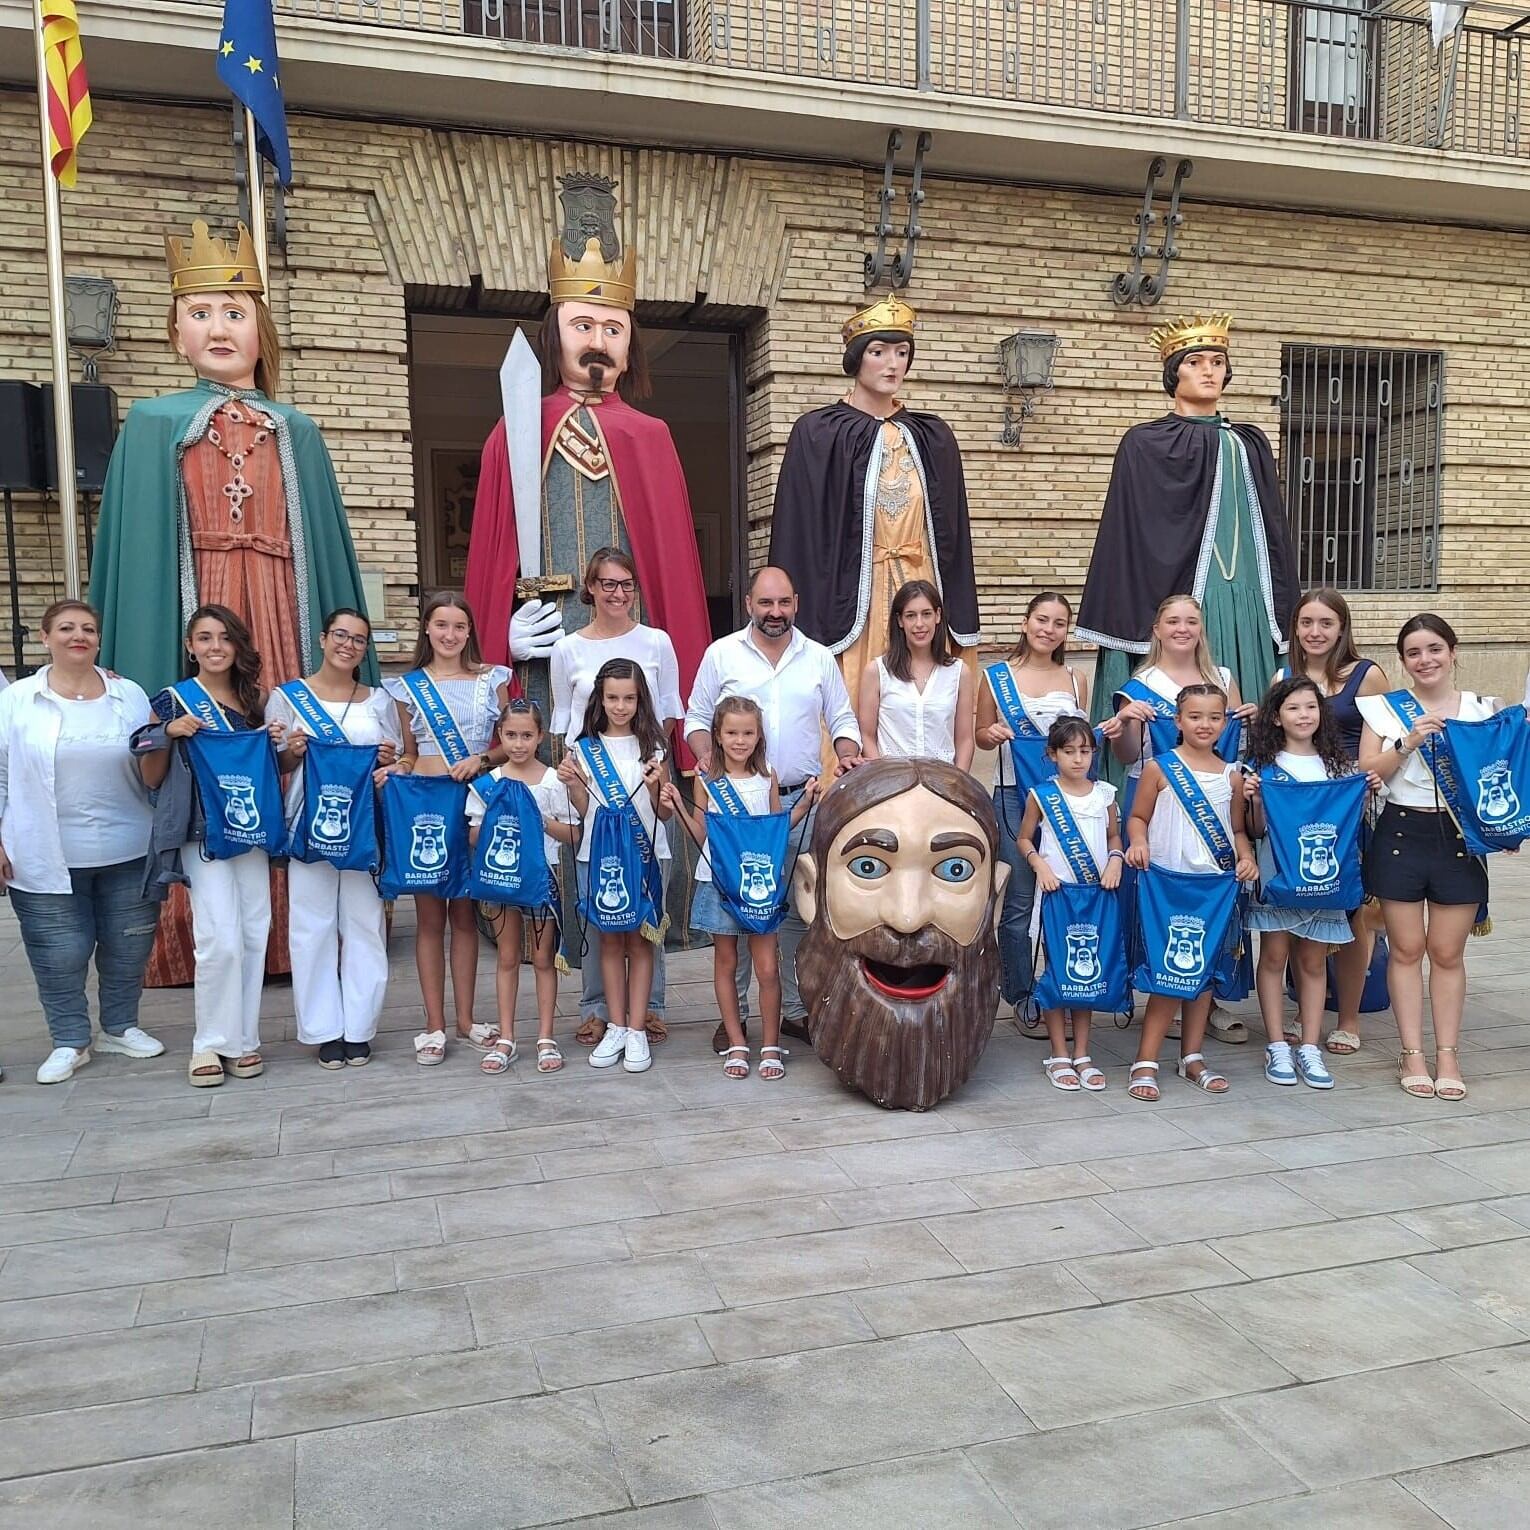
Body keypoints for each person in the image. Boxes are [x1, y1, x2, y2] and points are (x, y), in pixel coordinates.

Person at [90, 219, 373, 990]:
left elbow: (328, 547)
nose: (220, 327)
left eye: (237, 312)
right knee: (208, 746)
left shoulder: (299, 431)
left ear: (261, 330)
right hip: (199, 609)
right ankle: (188, 938)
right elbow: (134, 551)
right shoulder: (151, 427)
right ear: (176, 329)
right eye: (203, 311)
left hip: (281, 605)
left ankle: (293, 934)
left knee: (286, 744)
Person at [464, 172, 709, 729]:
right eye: (582, 324)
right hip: (540, 651)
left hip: (630, 648)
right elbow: (491, 556)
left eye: (612, 329)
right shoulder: (515, 430)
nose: (597, 341)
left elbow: (671, 571)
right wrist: (499, 635)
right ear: (556, 335)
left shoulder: (652, 438)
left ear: (630, 347)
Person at [1078, 312, 1298, 727]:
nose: (1208, 371)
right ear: (1172, 373)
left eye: (1217, 362)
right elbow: (1130, 540)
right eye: (1195, 362)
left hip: (1252, 600)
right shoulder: (1144, 443)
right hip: (1182, 596)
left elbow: (1273, 531)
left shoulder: (1249, 440)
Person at [769, 297, 981, 727]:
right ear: (856, 358)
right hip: (851, 593)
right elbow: (802, 530)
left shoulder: (933, 436)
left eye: (902, 353)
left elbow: (952, 533)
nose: (892, 364)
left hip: (918, 591)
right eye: (878, 351)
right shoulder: (818, 432)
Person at [684, 566, 864, 1051]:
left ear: (797, 603)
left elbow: (842, 717)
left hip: (795, 803)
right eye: (766, 603)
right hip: (732, 806)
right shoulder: (720, 654)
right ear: (748, 604)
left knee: (790, 912)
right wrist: (706, 753)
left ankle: (792, 1010)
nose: (775, 613)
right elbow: (697, 718)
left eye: (784, 603)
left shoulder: (820, 658)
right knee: (736, 915)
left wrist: (846, 750)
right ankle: (736, 1018)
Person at [0, 600, 162, 1084]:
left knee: (128, 948)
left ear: (98, 639)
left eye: (88, 629)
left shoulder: (127, 693)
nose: (79, 636)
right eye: (66, 628)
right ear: (45, 638)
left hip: (129, 847)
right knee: (59, 953)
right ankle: (69, 1040)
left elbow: (151, 759)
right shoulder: (17, 699)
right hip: (42, 852)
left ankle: (119, 1026)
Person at [134, 606, 286, 1086]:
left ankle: (244, 1040)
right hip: (202, 833)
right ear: (190, 646)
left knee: (252, 932)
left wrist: (287, 751)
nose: (215, 646)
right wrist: (166, 734)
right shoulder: (173, 702)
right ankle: (208, 1043)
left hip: (251, 831)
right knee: (217, 938)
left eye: (224, 637)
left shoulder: (253, 703)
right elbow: (150, 779)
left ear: (237, 646)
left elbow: (265, 771)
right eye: (205, 638)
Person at [1358, 614, 1499, 1103]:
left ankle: (1448, 1053)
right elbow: (1367, 769)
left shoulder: (1483, 709)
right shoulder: (1384, 710)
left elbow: (1502, 770)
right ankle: (1412, 1052)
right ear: (1403, 660)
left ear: (1453, 651)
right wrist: (1408, 741)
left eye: (1435, 649)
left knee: (1446, 952)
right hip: (1400, 830)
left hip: (1459, 839)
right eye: (1414, 652)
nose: (1426, 660)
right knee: (1406, 949)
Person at [550, 547, 684, 1047]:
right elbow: (565, 719)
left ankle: (648, 1009)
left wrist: (649, 766)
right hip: (590, 781)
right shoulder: (568, 649)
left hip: (642, 779)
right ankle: (596, 1008)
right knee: (597, 901)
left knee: (646, 896)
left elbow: (668, 711)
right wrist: (581, 781)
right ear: (590, 587)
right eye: (607, 583)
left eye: (626, 583)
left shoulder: (656, 641)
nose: (617, 592)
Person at [1110, 593, 1255, 1045]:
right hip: (1161, 794)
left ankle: (1209, 998)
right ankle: (1162, 987)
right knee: (1158, 901)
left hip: (1216, 801)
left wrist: (1250, 720)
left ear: (1200, 628)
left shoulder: (1223, 677)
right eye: (1172, 620)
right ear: (1156, 629)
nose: (1182, 628)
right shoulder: (1140, 682)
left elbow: (1233, 748)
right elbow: (1126, 755)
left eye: (1191, 621)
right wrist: (1129, 721)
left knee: (1213, 903)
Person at [268, 608, 401, 1069]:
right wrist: (290, 752)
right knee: (311, 927)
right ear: (323, 639)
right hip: (309, 824)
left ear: (366, 649)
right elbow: (276, 767)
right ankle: (325, 1030)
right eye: (340, 635)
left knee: (365, 923)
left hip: (364, 827)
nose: (348, 644)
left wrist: (388, 761)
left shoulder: (380, 702)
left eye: (359, 639)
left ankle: (360, 1028)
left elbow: (393, 766)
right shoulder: (287, 698)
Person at [385, 593, 511, 1066]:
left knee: (464, 916)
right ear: (427, 629)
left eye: (459, 626)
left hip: (473, 800)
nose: (450, 634)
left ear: (469, 631)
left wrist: (481, 758)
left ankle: (465, 1019)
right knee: (429, 917)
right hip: (425, 803)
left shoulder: (492, 678)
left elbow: (511, 741)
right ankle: (433, 1024)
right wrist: (397, 767)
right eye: (441, 625)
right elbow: (409, 750)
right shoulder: (406, 687)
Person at [662, 696, 817, 1082]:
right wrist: (677, 807)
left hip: (759, 886)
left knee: (767, 967)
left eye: (748, 733)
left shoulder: (768, 777)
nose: (739, 740)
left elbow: (775, 827)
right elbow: (700, 831)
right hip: (717, 883)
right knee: (726, 964)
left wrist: (807, 801)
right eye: (732, 732)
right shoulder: (707, 781)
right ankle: (736, 1041)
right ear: (717, 734)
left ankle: (768, 1045)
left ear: (758, 735)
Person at [1125, 684, 1259, 1100]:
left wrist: (1246, 856)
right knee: (1168, 973)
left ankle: (1192, 1056)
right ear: (1178, 721)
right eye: (1195, 716)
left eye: (1214, 717)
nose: (1205, 724)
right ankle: (1145, 1060)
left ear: (1225, 722)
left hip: (1213, 888)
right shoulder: (1160, 768)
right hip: (1168, 883)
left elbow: (1238, 829)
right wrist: (1138, 842)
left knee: (1202, 976)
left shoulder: (1232, 775)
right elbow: (1137, 817)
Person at [974, 592, 1100, 1031]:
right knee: (1019, 901)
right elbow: (980, 737)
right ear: (1026, 623)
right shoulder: (995, 677)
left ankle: (1062, 985)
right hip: (1014, 795)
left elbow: (1083, 741)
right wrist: (990, 733)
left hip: (1069, 801)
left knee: (1067, 894)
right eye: (1042, 620)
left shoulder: (1076, 679)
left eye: (1059, 623)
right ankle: (1021, 991)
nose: (1049, 629)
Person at [1281, 588, 1389, 1055]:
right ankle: (1302, 1012)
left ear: (1342, 628)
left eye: (1326, 623)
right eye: (1307, 623)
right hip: (1297, 813)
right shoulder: (1283, 675)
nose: (1315, 632)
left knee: (1352, 914)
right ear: (1296, 629)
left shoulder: (1367, 676)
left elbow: (1383, 741)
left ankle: (1348, 1018)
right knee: (1296, 906)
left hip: (1347, 812)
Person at [1242, 678, 1363, 1091]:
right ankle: (1277, 1043)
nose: (1303, 715)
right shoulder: (1261, 765)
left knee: (1313, 962)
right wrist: (1256, 800)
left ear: (1321, 713)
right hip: (1277, 875)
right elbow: (1255, 829)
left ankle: (1309, 1045)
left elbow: (1349, 821)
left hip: (1323, 878)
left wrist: (1368, 790)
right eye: (1293, 708)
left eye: (1310, 707)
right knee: (1274, 956)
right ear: (1276, 717)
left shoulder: (1339, 766)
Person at [558, 659, 673, 1075]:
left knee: (642, 941)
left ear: (640, 699)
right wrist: (573, 785)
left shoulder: (654, 749)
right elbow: (585, 810)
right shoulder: (584, 748)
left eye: (629, 698)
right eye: (612, 698)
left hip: (645, 855)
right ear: (599, 700)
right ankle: (617, 1025)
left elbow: (662, 816)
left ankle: (639, 1028)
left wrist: (662, 789)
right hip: (599, 857)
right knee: (608, 940)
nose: (620, 706)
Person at [467, 699, 579, 1076]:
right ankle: (507, 1037)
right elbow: (471, 836)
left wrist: (540, 822)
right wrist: (500, 820)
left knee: (544, 958)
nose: (518, 744)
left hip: (540, 879)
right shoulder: (488, 784)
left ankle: (546, 1035)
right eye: (511, 735)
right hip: (501, 882)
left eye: (526, 735)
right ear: (500, 735)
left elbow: (573, 833)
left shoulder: (551, 781)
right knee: (507, 957)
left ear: (540, 737)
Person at [1015, 717, 1123, 1093]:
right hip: (1056, 894)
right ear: (1052, 754)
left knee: (1085, 972)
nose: (1078, 759)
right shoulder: (1041, 795)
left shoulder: (1106, 794)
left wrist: (1115, 860)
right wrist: (1039, 864)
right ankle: (1058, 1053)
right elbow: (1024, 839)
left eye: (1085, 751)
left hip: (1094, 896)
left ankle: (1082, 1052)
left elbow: (1114, 835)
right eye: (1069, 751)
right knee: (1056, 972)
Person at [856, 579, 974, 769]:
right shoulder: (877, 671)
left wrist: (959, 783)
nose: (919, 624)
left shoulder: (959, 672)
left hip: (943, 784)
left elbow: (965, 740)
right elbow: (866, 735)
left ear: (937, 616)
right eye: (911, 615)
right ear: (900, 621)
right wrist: (883, 777)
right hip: (893, 785)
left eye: (926, 614)